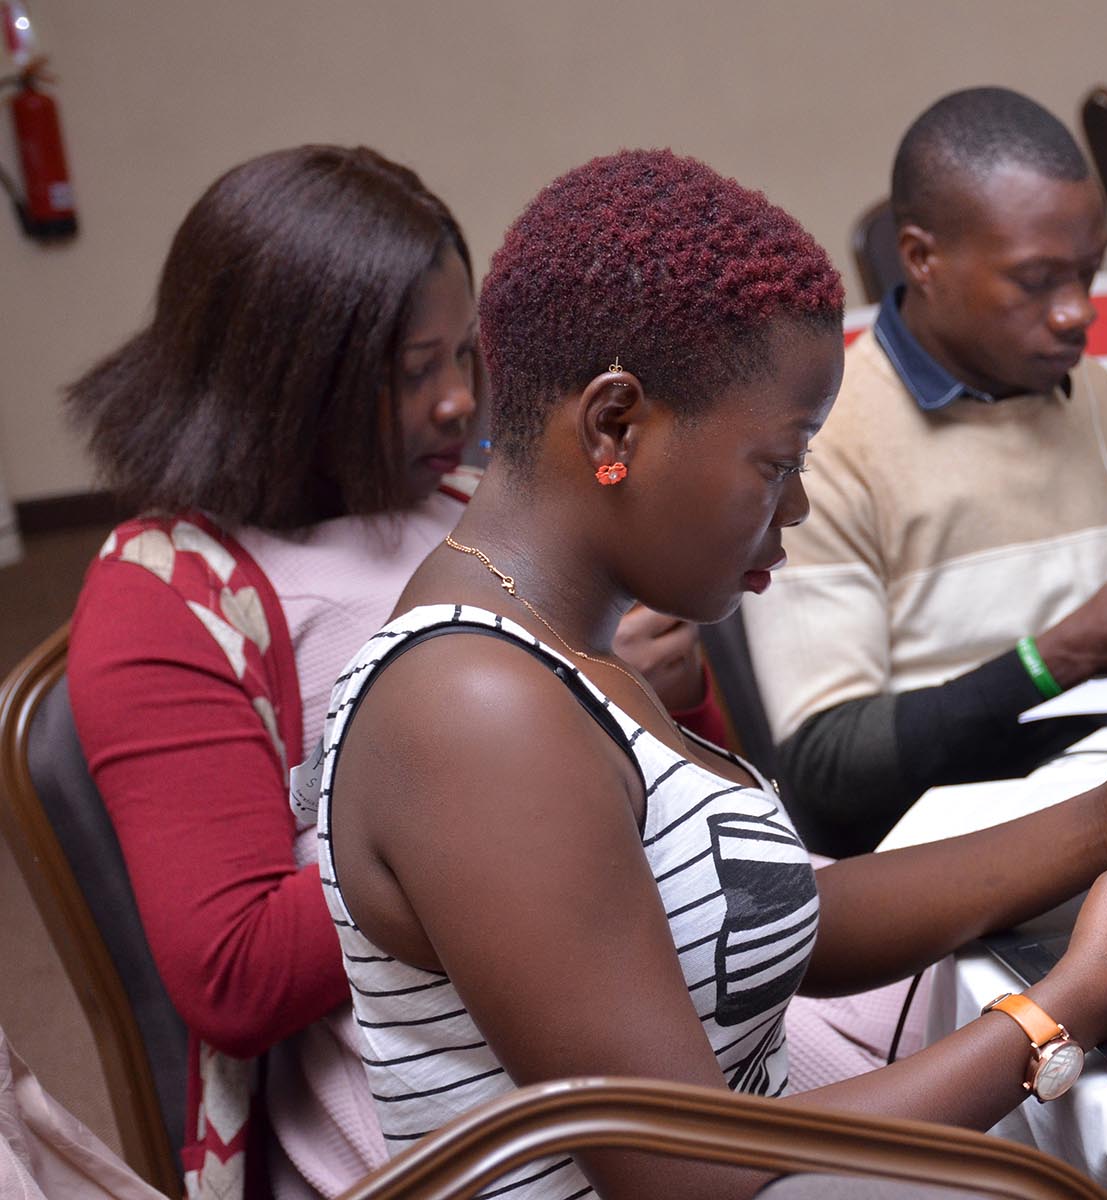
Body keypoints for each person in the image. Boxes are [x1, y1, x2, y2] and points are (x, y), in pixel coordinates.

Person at [304, 147, 1107, 1200]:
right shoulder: (477, 710)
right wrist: (1067, 1007)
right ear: (613, 424)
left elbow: (775, 922)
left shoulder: (560, 647)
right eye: (777, 463)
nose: (797, 508)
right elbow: (686, 1169)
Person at [62, 145, 721, 1199]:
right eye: (416, 372)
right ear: (284, 376)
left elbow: (691, 777)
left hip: (655, 972)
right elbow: (232, 974)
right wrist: (485, 782)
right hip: (430, 1086)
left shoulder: (470, 502)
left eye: (467, 355)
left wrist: (672, 689)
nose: (462, 402)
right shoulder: (170, 596)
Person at [740, 87, 1107, 857]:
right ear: (921, 258)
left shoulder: (1094, 396)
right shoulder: (830, 442)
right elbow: (829, 777)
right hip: (945, 861)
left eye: (1088, 273)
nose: (1076, 313)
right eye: (1036, 281)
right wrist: (1061, 656)